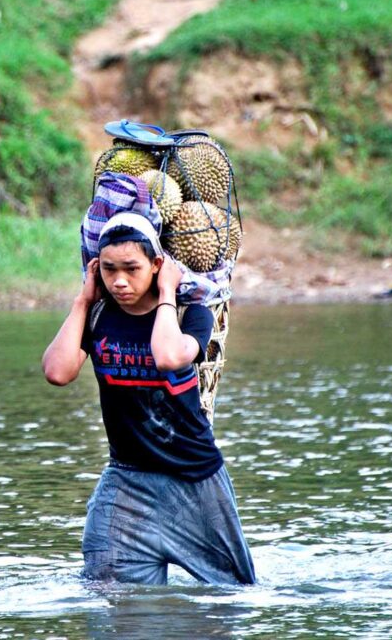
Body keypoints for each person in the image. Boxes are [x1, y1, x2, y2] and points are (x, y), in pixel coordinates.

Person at [42, 212, 255, 585]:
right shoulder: (98, 317)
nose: (119, 281)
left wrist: (169, 292)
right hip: (127, 481)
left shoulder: (193, 314)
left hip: (194, 480)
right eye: (108, 270)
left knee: (230, 598)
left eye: (131, 268)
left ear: (157, 266)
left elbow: (168, 356)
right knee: (109, 594)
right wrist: (83, 300)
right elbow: (57, 372)